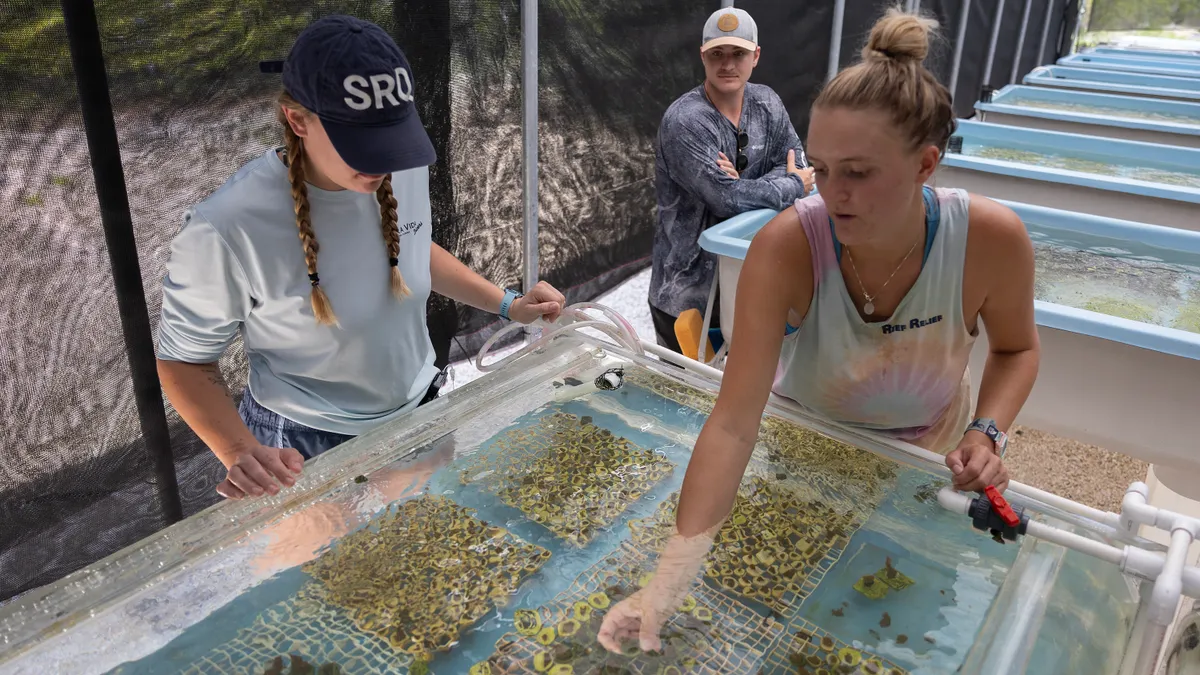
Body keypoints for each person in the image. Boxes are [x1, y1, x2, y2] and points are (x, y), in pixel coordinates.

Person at [600, 8, 1039, 653]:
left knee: (898, 609)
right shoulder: (787, 246)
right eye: (823, 169)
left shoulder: (989, 241)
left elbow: (1017, 348)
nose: (833, 195)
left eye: (858, 173)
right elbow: (732, 422)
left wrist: (988, 429)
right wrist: (669, 579)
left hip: (926, 451)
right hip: (802, 437)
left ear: (925, 164)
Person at [154, 15, 565, 501]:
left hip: (418, 407)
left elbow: (411, 250)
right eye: (361, 144)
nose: (382, 162)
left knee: (419, 550)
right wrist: (240, 451)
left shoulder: (398, 168)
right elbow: (184, 361)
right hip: (304, 442)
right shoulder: (227, 226)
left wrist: (507, 304)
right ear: (297, 120)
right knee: (320, 575)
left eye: (391, 139)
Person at [649, 6, 816, 354]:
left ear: (755, 56)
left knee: (742, 383)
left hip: (747, 277)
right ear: (703, 57)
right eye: (717, 54)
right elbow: (726, 199)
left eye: (738, 53)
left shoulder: (767, 102)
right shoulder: (687, 121)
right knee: (686, 391)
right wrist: (792, 186)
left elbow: (796, 160)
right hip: (687, 291)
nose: (727, 64)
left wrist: (746, 185)